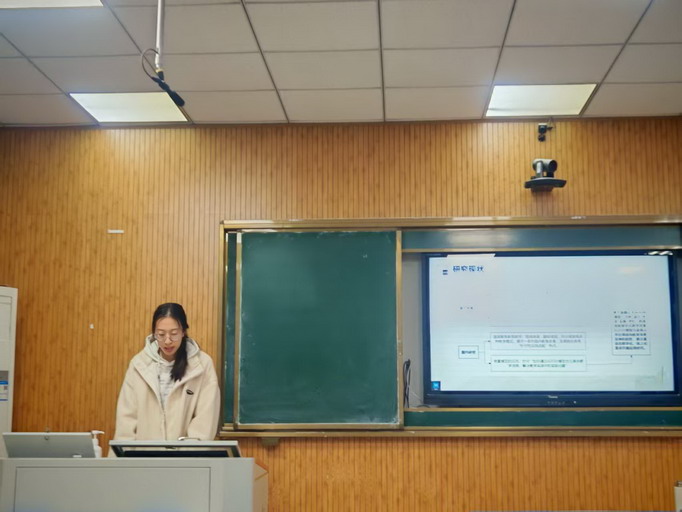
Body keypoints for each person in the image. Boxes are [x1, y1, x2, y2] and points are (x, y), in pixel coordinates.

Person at [113, 303, 220, 443]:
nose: (167, 341)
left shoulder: (202, 365)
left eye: (174, 334)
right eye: (161, 334)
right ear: (154, 333)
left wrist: (185, 453)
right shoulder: (139, 365)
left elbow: (204, 423)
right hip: (144, 454)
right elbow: (126, 421)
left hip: (186, 455)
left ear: (183, 331)